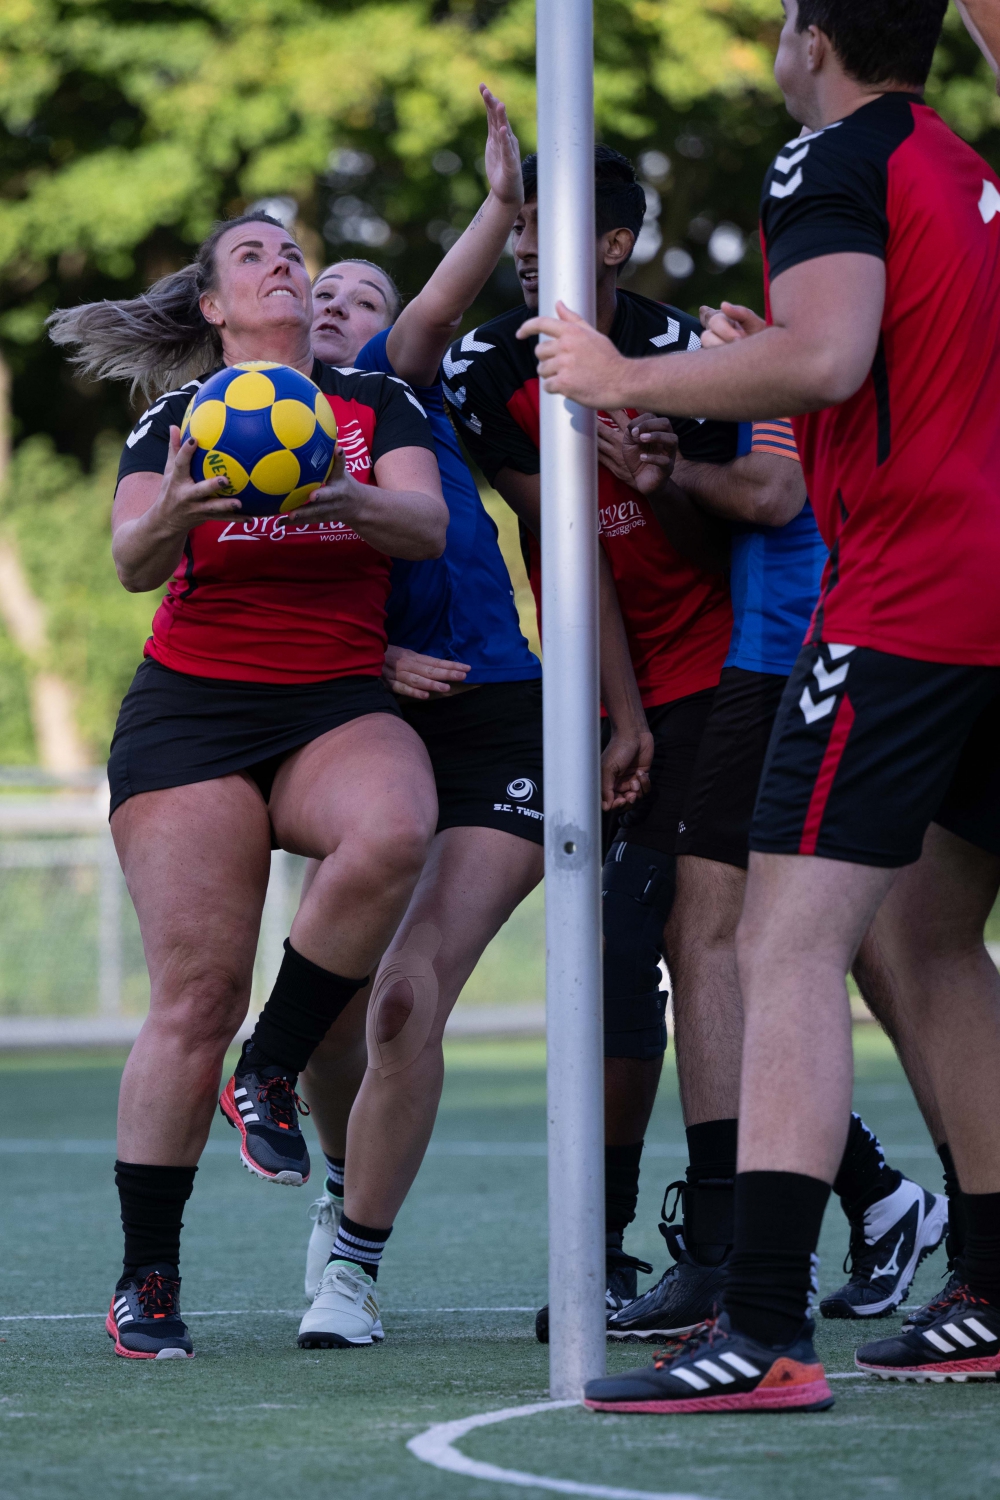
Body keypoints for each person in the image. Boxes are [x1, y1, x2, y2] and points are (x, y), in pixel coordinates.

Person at [528, 0, 1000, 1410]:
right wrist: (774, 349)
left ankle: (764, 1326)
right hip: (982, 590)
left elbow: (831, 359)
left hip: (910, 600)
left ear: (808, 39)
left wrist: (627, 373)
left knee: (778, 943)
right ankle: (987, 1289)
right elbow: (892, 367)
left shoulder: (830, 157)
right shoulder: (956, 162)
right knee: (925, 933)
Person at [47, 211, 448, 1360]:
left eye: (292, 255)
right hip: (194, 707)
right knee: (193, 993)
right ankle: (147, 1279)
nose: (283, 267)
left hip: (333, 695)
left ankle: (266, 1068)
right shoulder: (177, 419)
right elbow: (130, 561)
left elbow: (421, 526)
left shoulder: (374, 406)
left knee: (392, 830)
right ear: (216, 309)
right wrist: (173, 512)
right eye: (253, 258)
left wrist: (345, 497)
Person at [287, 88, 650, 1349]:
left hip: (502, 721)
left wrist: (502, 203)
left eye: (365, 299)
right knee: (330, 1020)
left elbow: (441, 308)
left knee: (404, 999)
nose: (340, 306)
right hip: (353, 727)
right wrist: (377, 661)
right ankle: (340, 1201)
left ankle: (353, 1269)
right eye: (320, 292)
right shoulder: (252, 436)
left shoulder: (403, 395)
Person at [442, 144, 803, 1340]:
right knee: (641, 950)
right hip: (596, 694)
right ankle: (810, 1214)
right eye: (519, 221)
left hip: (716, 671)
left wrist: (659, 472)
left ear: (614, 242)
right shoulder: (493, 362)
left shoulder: (689, 362)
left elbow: (753, 522)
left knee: (694, 933)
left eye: (552, 222)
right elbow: (564, 545)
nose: (530, 241)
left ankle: (714, 1247)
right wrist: (614, 711)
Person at [602, 395, 946, 1340]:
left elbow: (774, 488)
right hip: (799, 643)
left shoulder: (816, 305)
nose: (531, 247)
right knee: (890, 945)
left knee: (758, 938)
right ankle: (884, 1216)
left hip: (806, 647)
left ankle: (744, 1271)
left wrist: (668, 457)